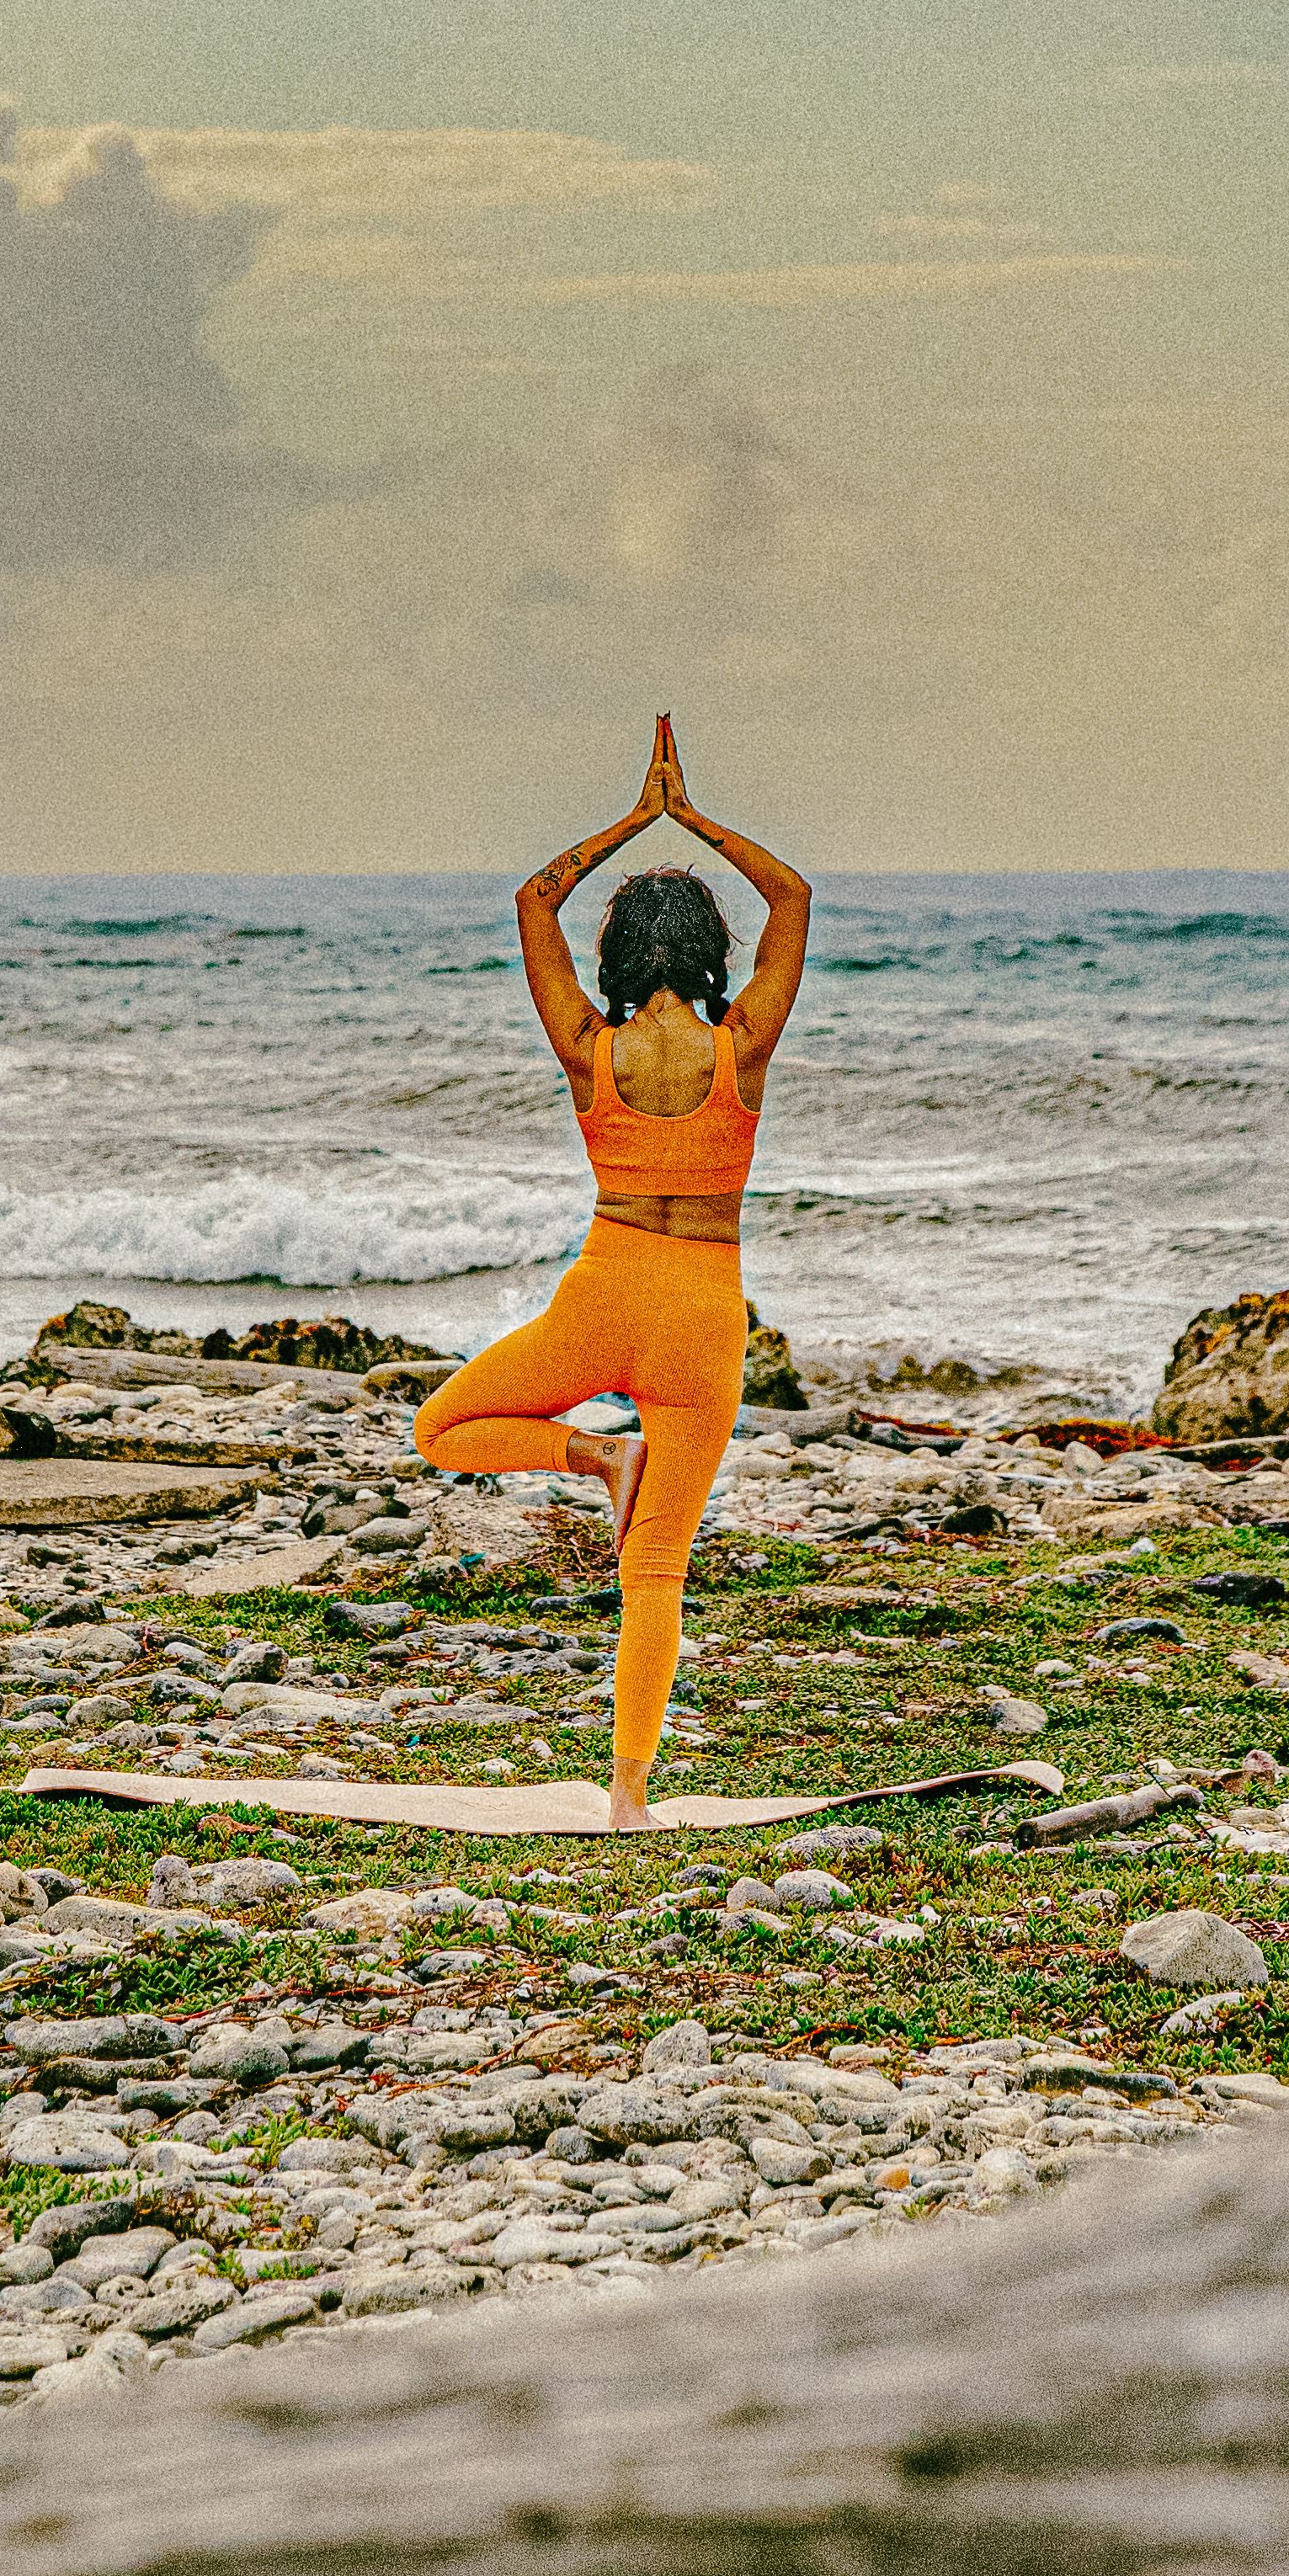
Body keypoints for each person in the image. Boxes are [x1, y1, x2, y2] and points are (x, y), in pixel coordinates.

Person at [418, 715, 807, 1818]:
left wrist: (633, 821)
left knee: (437, 1428)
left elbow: (533, 900)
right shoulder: (746, 1045)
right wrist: (697, 822)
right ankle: (629, 1797)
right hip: (702, 1316)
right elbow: (795, 901)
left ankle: (594, 1460)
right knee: (656, 1575)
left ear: (618, 957)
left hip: (605, 1292)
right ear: (712, 954)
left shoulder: (591, 1048)